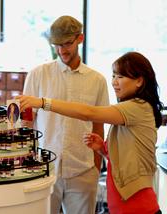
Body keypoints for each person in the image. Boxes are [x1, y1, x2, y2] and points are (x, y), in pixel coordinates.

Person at [18, 51, 163, 214]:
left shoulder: (138, 107)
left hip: (138, 208)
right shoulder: (133, 109)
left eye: (121, 77)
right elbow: (129, 157)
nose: (114, 82)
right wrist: (103, 150)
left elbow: (89, 113)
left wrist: (43, 102)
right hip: (124, 207)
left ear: (139, 81)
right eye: (114, 76)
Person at [22, 15, 109, 214]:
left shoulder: (97, 80)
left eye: (67, 43)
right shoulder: (38, 74)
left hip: (83, 169)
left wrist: (96, 168)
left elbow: (98, 125)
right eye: (56, 45)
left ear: (80, 38)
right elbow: (27, 123)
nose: (61, 50)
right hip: (44, 168)